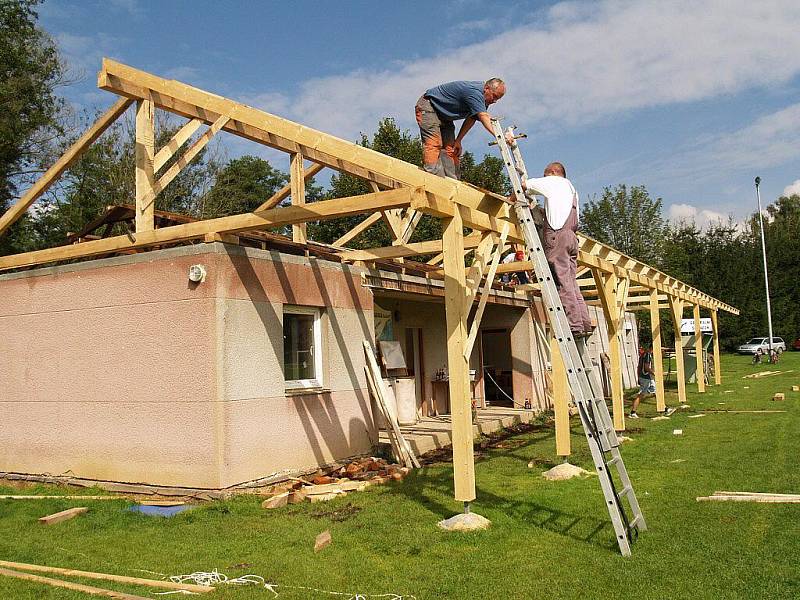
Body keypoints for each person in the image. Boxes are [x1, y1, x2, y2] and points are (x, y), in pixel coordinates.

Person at [520, 162, 592, 336]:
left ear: (553, 172)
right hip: (571, 238)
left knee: (561, 282)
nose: (545, 178)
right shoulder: (571, 189)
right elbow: (558, 211)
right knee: (572, 284)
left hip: (558, 237)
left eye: (546, 175)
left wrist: (513, 199)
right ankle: (584, 323)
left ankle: (573, 326)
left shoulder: (553, 182)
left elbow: (524, 186)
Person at [415, 78, 506, 179]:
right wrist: (501, 136)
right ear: (487, 88)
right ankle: (433, 180)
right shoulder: (474, 92)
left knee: (451, 149)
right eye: (494, 96)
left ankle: (452, 183)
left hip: (444, 116)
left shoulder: (484, 100)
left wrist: (458, 140)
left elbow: (471, 118)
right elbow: (483, 116)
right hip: (429, 107)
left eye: (498, 99)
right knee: (434, 144)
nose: (494, 101)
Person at [630, 343, 673, 418]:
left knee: (656, 392)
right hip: (645, 377)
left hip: (645, 377)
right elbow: (646, 368)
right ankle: (633, 412)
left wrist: (638, 377)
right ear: (653, 348)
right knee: (641, 394)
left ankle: (665, 408)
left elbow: (639, 367)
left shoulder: (644, 354)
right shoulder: (647, 355)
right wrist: (654, 373)